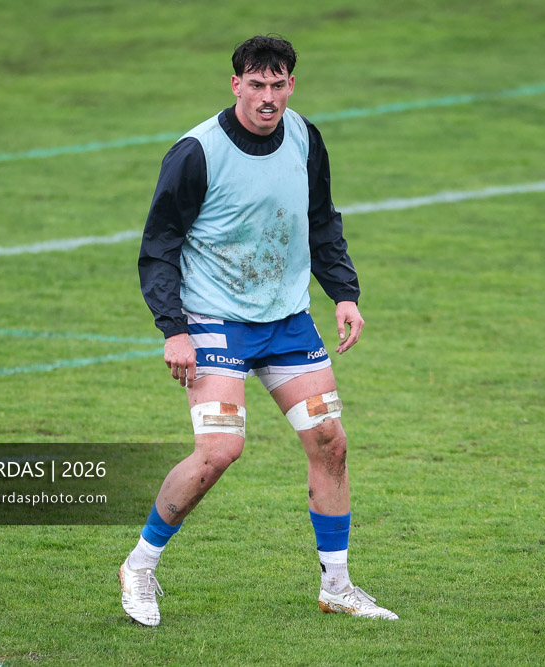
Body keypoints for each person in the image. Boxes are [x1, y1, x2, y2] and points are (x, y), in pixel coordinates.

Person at [121, 34, 398, 626]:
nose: (267, 97)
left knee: (331, 442)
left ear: (291, 85)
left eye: (278, 85)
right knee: (221, 449)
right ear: (236, 84)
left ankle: (338, 585)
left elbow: (321, 220)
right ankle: (141, 565)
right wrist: (173, 329)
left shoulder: (303, 136)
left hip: (288, 320)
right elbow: (159, 245)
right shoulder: (198, 152)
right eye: (256, 84)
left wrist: (344, 293)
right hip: (214, 321)